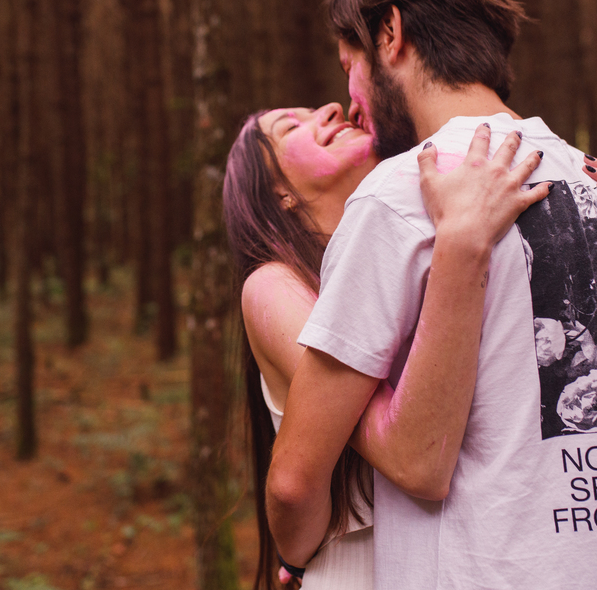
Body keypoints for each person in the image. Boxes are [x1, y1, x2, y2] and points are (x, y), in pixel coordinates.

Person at [265, 0, 597, 589]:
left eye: (350, 64)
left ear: (391, 35)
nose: (351, 100)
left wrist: (292, 563)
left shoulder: (404, 195)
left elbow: (293, 484)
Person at [225, 104, 551, 588]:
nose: (332, 108)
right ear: (278, 193)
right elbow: (411, 458)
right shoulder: (274, 287)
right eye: (291, 127)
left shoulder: (411, 253)